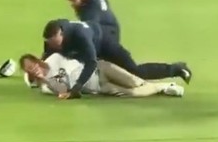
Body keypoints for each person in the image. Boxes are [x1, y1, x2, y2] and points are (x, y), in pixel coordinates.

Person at [41, 19, 190, 94]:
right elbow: (47, 55)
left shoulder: (80, 35)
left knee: (135, 72)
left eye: (56, 42)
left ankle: (176, 69)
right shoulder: (52, 40)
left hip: (105, 45)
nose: (55, 46)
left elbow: (91, 62)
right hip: (88, 50)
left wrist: (77, 87)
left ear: (61, 34)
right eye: (51, 44)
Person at [20, 53, 184, 98]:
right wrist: (44, 79)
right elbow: (64, 91)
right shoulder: (47, 87)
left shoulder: (55, 57)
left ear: (37, 60)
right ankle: (165, 87)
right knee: (133, 93)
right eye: (30, 70)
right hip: (99, 87)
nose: (33, 69)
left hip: (100, 69)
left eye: (32, 65)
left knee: (134, 82)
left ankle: (173, 72)